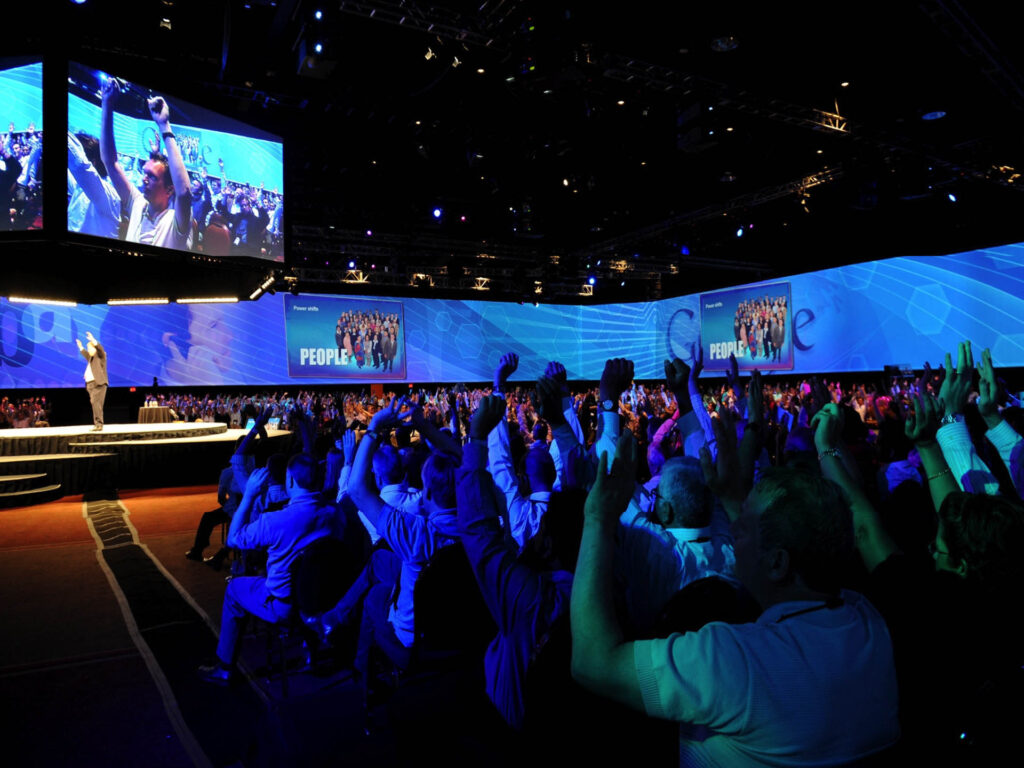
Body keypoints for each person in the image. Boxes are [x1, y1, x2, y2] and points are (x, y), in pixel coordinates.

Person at [571, 430, 900, 766]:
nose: (731, 527)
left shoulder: (735, 662)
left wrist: (598, 517)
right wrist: (731, 498)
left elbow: (593, 663)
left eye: (744, 523)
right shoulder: (870, 621)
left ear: (777, 563)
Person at [199, 453, 345, 684]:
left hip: (285, 605)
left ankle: (225, 666)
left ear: (290, 481)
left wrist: (248, 497)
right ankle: (309, 649)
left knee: (234, 588)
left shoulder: (275, 521)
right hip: (324, 599)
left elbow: (233, 539)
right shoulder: (335, 514)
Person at [99, 79, 193, 250]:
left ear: (169, 189)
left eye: (152, 176)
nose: (144, 179)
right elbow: (110, 162)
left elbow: (185, 193)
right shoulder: (137, 203)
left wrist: (164, 125)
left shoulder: (176, 221)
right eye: (145, 173)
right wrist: (107, 103)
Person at [76, 331, 107, 431]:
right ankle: (97, 424)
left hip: (98, 383)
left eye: (90, 348)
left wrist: (93, 340)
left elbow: (100, 349)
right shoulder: (91, 359)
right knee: (95, 404)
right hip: (90, 384)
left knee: (96, 403)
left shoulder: (101, 357)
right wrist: (80, 347)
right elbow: (86, 354)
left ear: (94, 348)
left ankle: (99, 424)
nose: (88, 350)